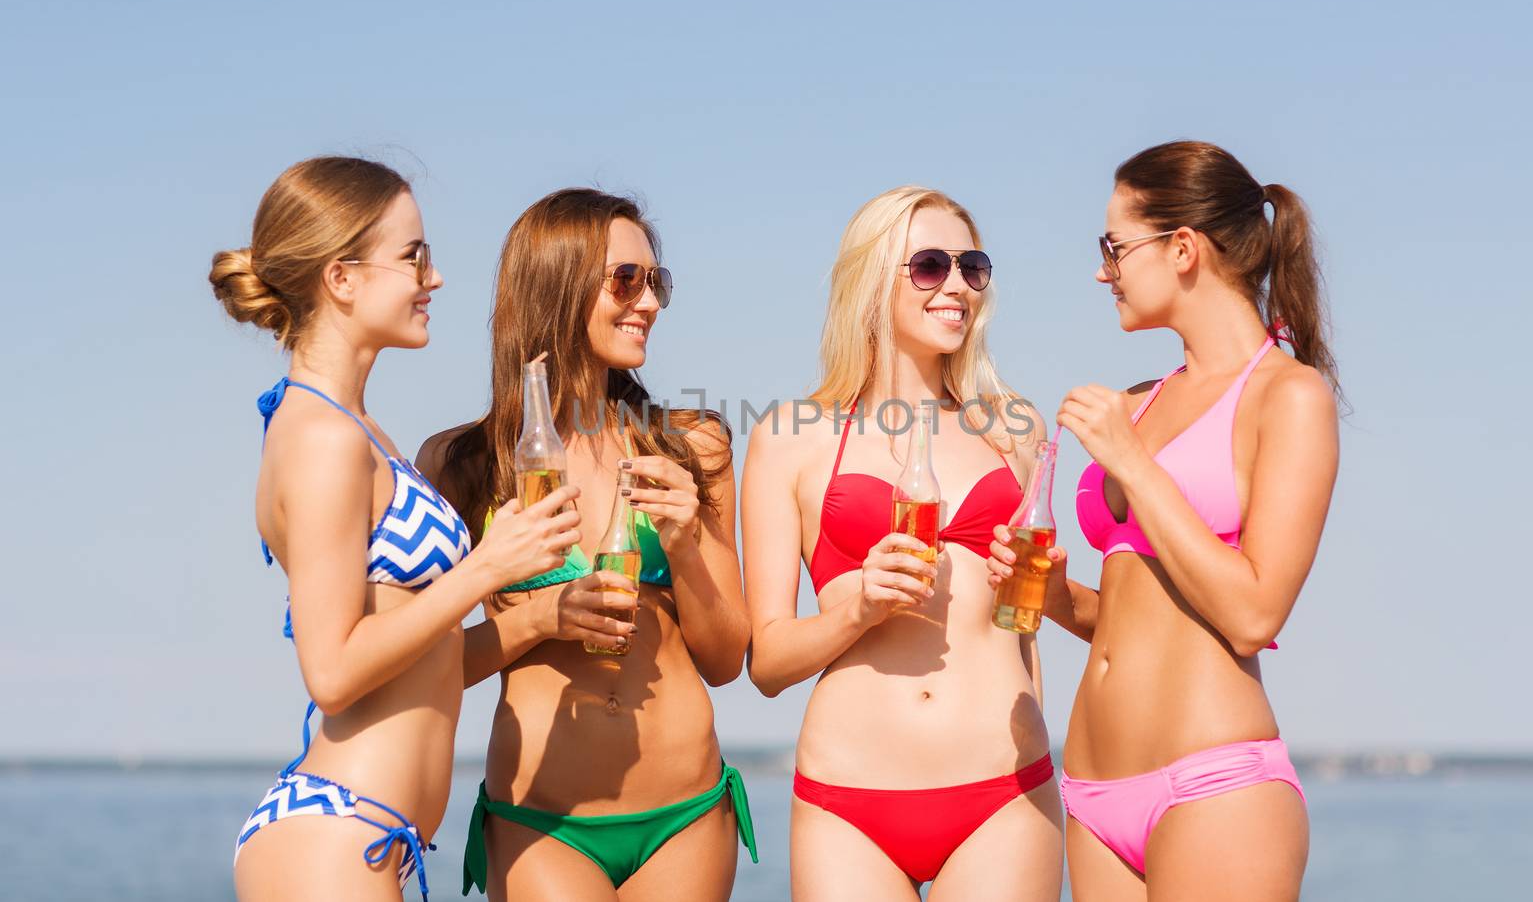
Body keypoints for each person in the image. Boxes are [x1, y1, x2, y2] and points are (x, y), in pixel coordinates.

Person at [214, 157, 580, 901]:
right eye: (414, 257)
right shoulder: (323, 438)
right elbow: (335, 672)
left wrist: (542, 615)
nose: (434, 279)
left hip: (370, 838)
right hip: (333, 840)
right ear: (341, 278)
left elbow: (424, 658)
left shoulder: (359, 429)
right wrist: (486, 569)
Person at [990, 140, 1339, 901]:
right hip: (1092, 793)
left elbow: (1251, 613)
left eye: (1114, 247)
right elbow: (1144, 609)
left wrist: (1133, 464)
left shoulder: (1289, 397)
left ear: (1182, 248)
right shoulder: (1141, 397)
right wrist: (1057, 598)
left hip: (1211, 788)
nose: (1102, 270)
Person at [419, 188, 755, 902]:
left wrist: (686, 546)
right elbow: (427, 667)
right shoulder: (465, 464)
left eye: (654, 282)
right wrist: (541, 619)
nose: (650, 302)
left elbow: (727, 659)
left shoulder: (693, 442)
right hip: (542, 822)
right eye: (626, 281)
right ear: (556, 283)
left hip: (687, 815)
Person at [743, 186, 1064, 900]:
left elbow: (1025, 628)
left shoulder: (1014, 429)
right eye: (929, 265)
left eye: (971, 267)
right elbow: (766, 662)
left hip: (1004, 789)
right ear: (871, 278)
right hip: (846, 801)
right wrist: (855, 609)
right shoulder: (790, 436)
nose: (956, 285)